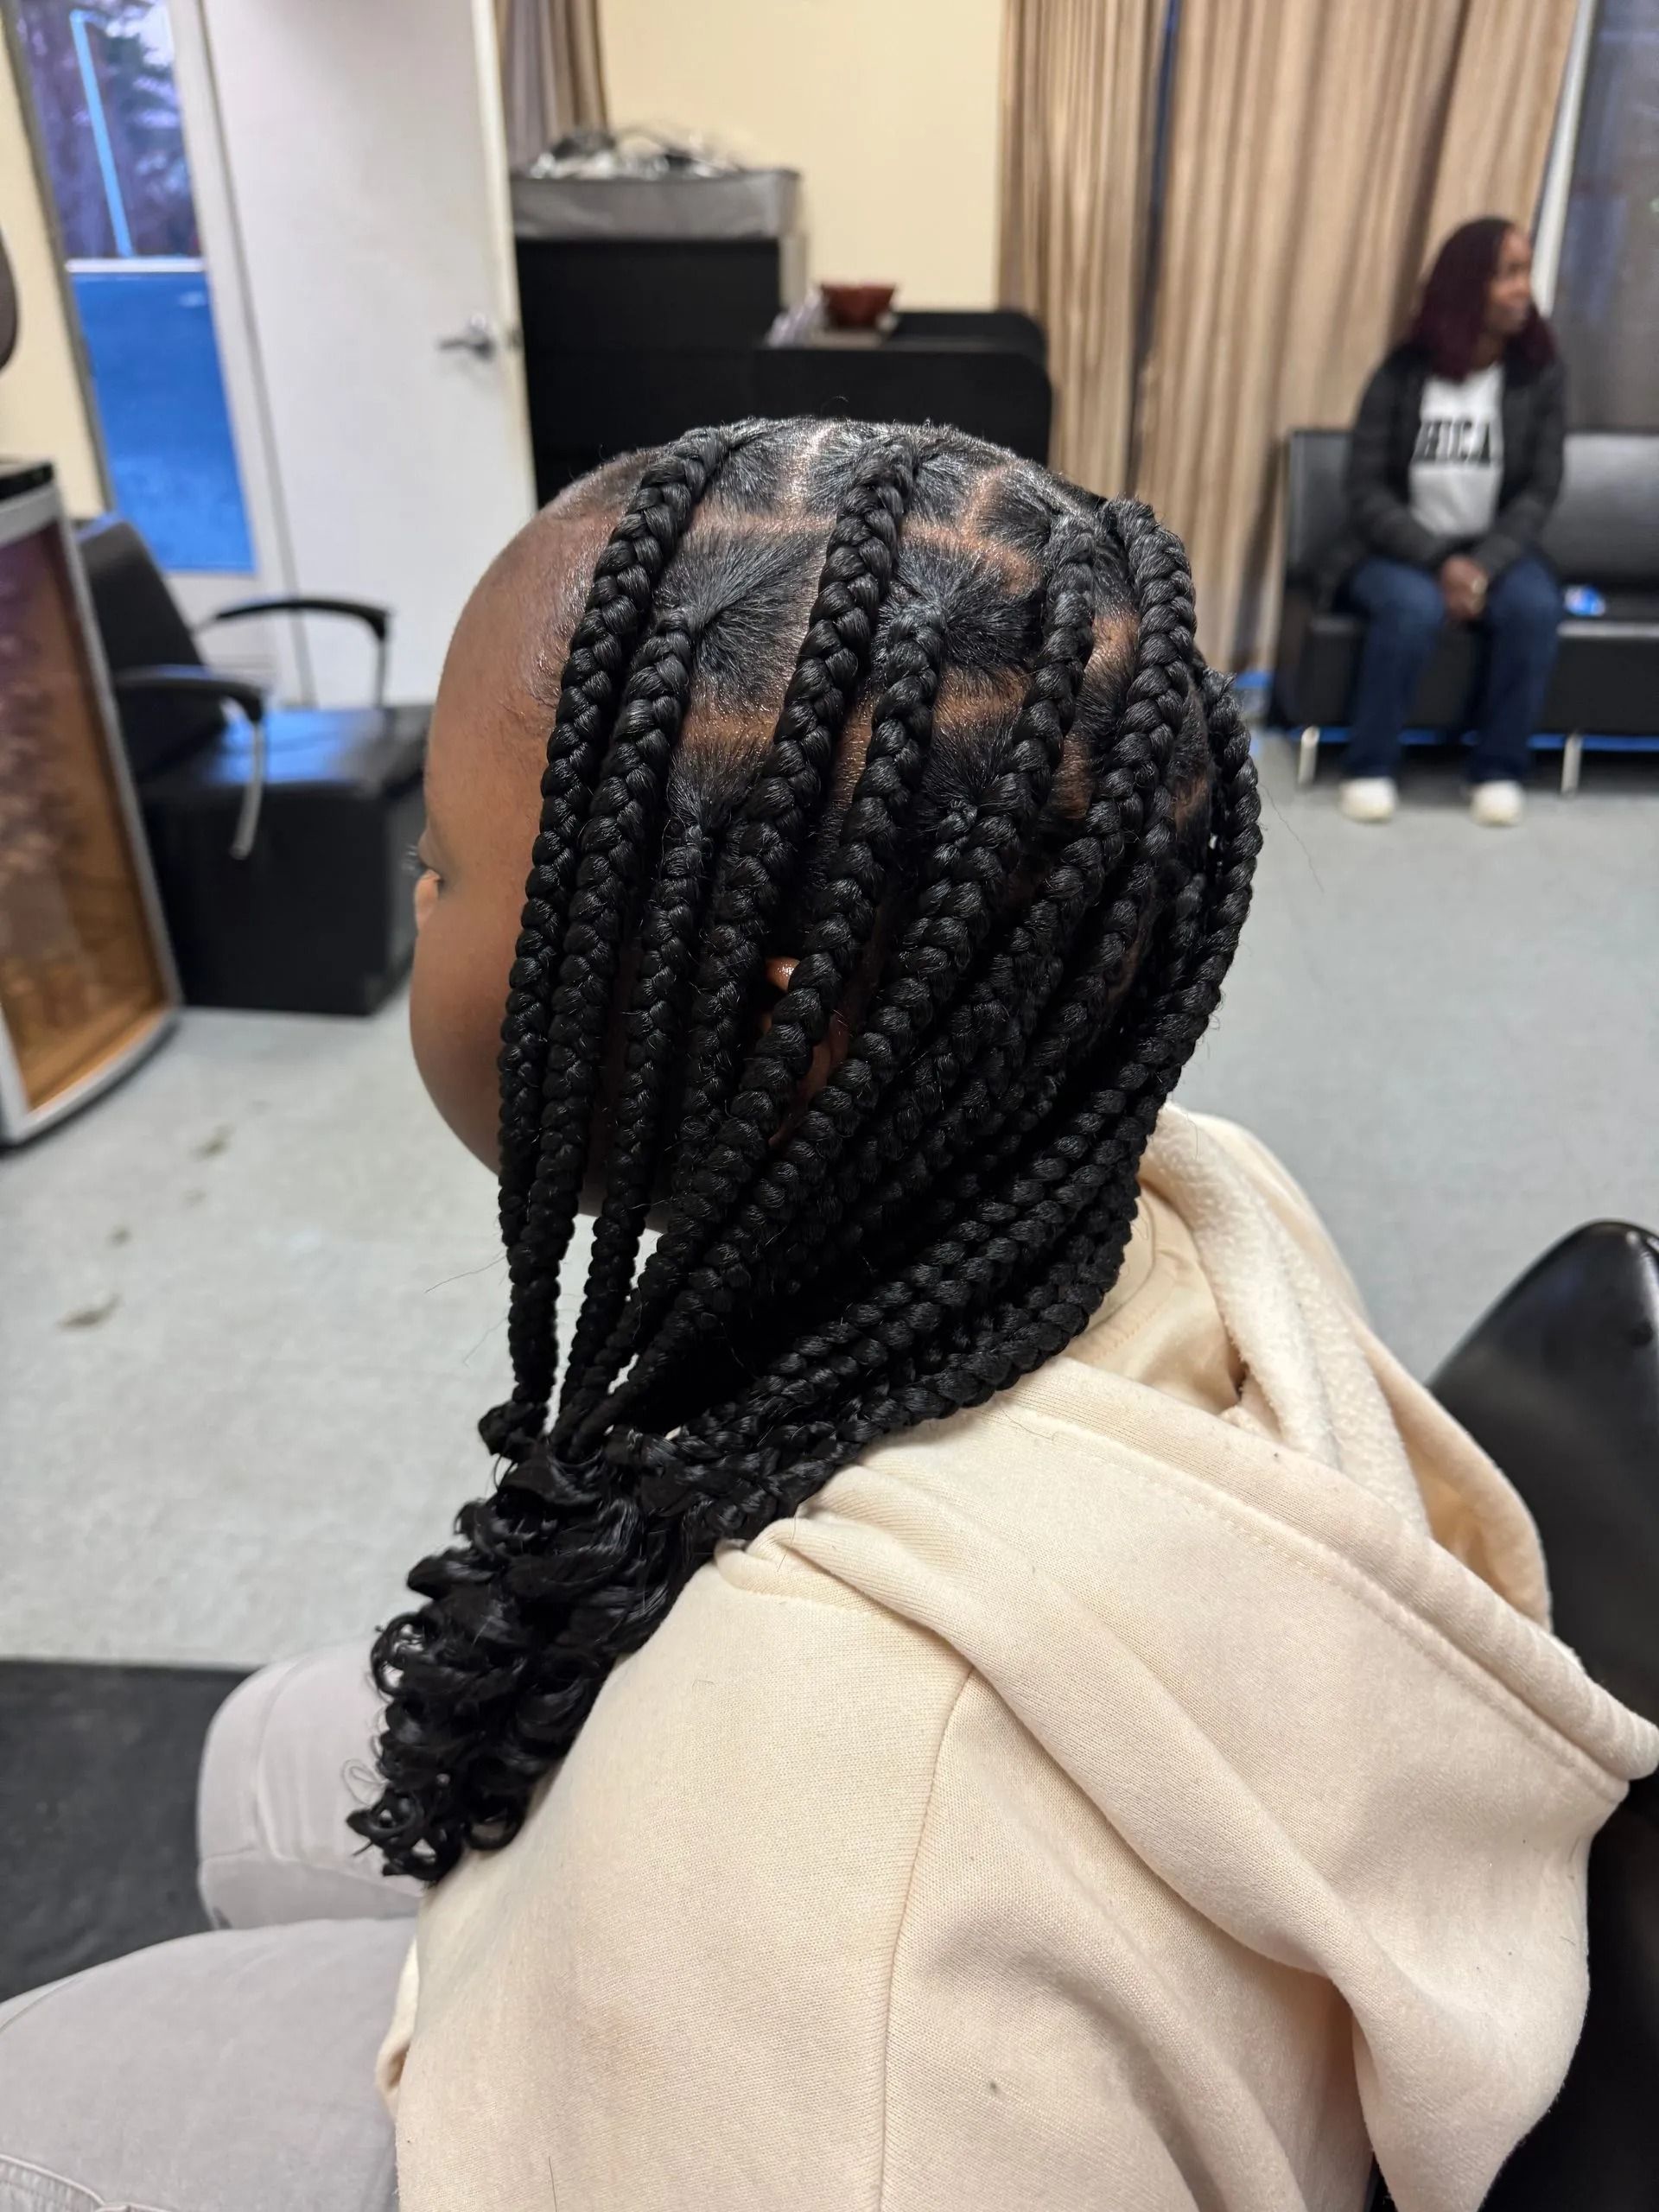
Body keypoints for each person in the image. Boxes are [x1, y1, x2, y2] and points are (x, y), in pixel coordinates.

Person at [1, 421, 1653, 2212]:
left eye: (445, 876)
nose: (419, 899)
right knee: (259, 1756)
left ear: (747, 1021)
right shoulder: (1146, 1181)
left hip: (764, 1966)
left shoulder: (845, 1924)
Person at [1328, 217, 1567, 827]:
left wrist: (1480, 566)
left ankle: (1497, 768)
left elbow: (1540, 489)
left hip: (1494, 551)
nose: (1523, 289)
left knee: (1536, 608)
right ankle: (1371, 764)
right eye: (1507, 274)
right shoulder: (1404, 373)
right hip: (1398, 551)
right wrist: (1442, 562)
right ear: (1466, 285)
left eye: (1524, 272)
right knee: (1411, 609)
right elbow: (1366, 487)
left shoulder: (1538, 375)